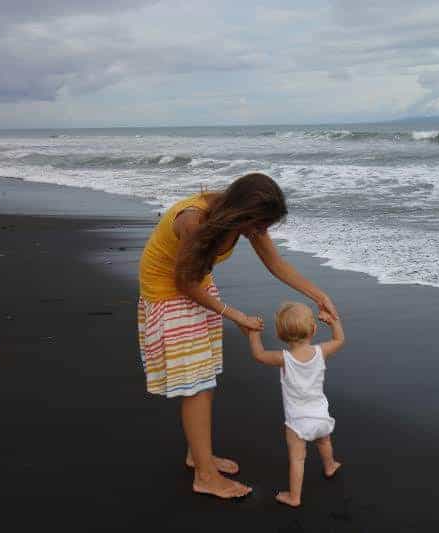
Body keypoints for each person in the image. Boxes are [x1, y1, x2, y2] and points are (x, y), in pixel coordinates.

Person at [137, 173, 339, 499]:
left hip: (194, 285)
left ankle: (197, 455)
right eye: (259, 225)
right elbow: (184, 283)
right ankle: (204, 475)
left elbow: (276, 264)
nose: (262, 233)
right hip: (168, 292)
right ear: (241, 213)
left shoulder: (243, 222)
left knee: (204, 378)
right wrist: (234, 315)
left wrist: (318, 295)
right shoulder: (195, 222)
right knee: (197, 384)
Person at [247, 301, 345, 508]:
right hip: (320, 416)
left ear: (281, 334)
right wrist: (333, 321)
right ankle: (330, 466)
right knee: (324, 443)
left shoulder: (283, 358)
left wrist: (254, 334)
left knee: (297, 459)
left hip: (297, 422)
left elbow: (259, 355)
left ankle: (294, 496)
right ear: (314, 329)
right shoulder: (321, 351)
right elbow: (339, 339)